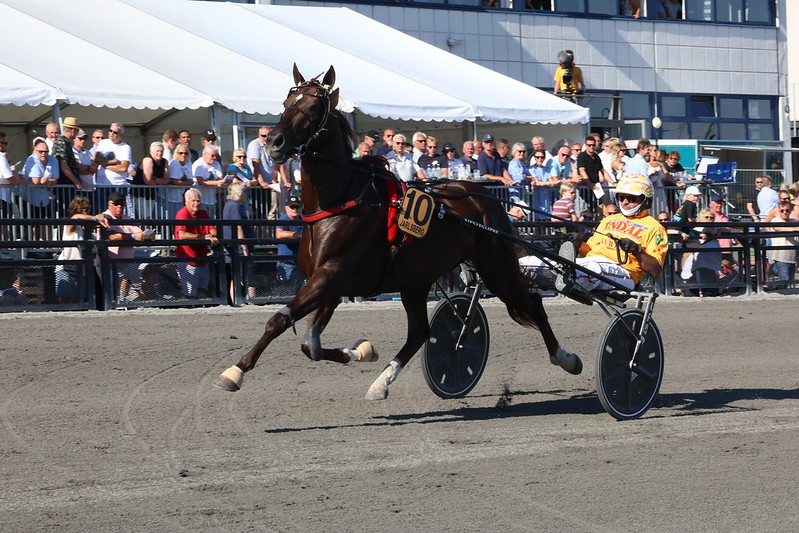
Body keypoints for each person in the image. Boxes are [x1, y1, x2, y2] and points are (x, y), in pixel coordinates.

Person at [521, 174, 667, 293]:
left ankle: (561, 275)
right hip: (590, 263)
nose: (625, 202)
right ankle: (522, 268)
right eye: (621, 197)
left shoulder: (654, 227)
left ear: (645, 199)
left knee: (590, 269)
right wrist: (577, 243)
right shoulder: (608, 220)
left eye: (631, 198)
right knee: (531, 261)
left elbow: (655, 271)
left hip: (624, 272)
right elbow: (588, 251)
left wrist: (636, 250)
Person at [97, 191, 155, 302]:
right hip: (108, 265)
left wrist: (147, 235)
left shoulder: (126, 217)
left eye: (122, 204)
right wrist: (133, 236)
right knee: (109, 296)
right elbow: (112, 236)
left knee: (153, 267)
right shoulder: (104, 217)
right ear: (110, 204)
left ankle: (144, 298)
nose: (120, 206)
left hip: (126, 264)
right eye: (117, 203)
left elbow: (138, 232)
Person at [55, 196, 108, 302]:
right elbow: (75, 217)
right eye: (86, 209)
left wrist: (102, 217)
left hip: (82, 268)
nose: (89, 211)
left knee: (82, 300)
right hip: (67, 267)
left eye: (89, 209)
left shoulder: (85, 228)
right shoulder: (70, 225)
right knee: (66, 300)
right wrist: (94, 218)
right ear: (79, 210)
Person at [174, 188, 218, 298]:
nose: (196, 203)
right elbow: (181, 234)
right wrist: (201, 237)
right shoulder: (183, 213)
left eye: (198, 200)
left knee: (203, 292)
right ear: (186, 202)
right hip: (188, 259)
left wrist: (211, 236)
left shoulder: (203, 213)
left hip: (202, 259)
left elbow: (212, 229)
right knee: (190, 294)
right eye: (193, 200)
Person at [223, 182, 256, 301]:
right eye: (244, 191)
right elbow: (238, 228)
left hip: (234, 246)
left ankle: (236, 299)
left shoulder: (230, 205)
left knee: (237, 275)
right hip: (238, 248)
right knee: (245, 274)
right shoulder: (235, 206)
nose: (245, 194)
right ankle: (249, 299)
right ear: (240, 193)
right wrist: (245, 248)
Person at [22, 139, 59, 240]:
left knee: (46, 223)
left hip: (45, 198)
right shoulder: (31, 159)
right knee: (30, 224)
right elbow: (36, 181)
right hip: (28, 197)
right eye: (40, 151)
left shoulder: (53, 160)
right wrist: (47, 182)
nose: (44, 154)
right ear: (35, 150)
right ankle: (29, 248)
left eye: (46, 151)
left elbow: (55, 180)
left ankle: (49, 248)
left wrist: (45, 182)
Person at [275, 192, 305, 290]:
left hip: (301, 261)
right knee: (289, 289)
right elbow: (279, 234)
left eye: (297, 207)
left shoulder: (303, 219)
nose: (295, 209)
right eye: (292, 207)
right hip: (287, 262)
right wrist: (296, 235)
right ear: (286, 208)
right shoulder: (283, 219)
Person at [131, 141, 168, 219]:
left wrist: (154, 179)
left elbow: (166, 180)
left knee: (149, 218)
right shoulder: (148, 160)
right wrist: (158, 181)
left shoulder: (164, 161)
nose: (160, 153)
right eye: (157, 151)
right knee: (145, 218)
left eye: (161, 151)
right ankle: (145, 231)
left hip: (152, 195)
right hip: (139, 194)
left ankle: (147, 231)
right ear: (151, 152)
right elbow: (148, 181)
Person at [766, 201, 797, 288]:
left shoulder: (793, 221)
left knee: (790, 281)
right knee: (785, 281)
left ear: (790, 211)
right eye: (782, 210)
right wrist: (794, 229)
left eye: (787, 210)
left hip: (792, 258)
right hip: (780, 257)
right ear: (778, 211)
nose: (785, 213)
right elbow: (779, 228)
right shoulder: (775, 220)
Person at [192, 144, 227, 217]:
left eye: (216, 156)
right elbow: (201, 181)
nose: (214, 158)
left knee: (211, 222)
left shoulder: (216, 164)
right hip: (199, 200)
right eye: (212, 155)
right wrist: (217, 183)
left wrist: (223, 181)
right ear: (205, 154)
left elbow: (220, 177)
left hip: (211, 200)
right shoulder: (198, 164)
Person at [165, 143, 195, 218]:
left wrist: (184, 183)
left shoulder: (189, 163)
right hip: (170, 198)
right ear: (177, 153)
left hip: (181, 197)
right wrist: (187, 183)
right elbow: (174, 181)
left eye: (185, 153)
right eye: (180, 153)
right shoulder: (174, 163)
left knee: (181, 218)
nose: (183, 155)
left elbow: (191, 181)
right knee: (172, 219)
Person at [0, 132, 24, 227]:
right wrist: (18, 182)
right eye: (5, 143)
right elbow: (8, 176)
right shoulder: (1, 158)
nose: (6, 146)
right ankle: (6, 242)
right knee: (4, 224)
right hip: (2, 197)